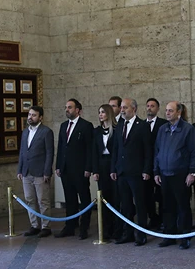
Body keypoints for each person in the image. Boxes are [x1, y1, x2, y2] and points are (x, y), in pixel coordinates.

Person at [154, 101, 195, 249]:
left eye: (171, 111)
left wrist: (192, 172)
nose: (167, 113)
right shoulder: (162, 129)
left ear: (178, 112)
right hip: (164, 173)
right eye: (166, 110)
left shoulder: (188, 129)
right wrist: (156, 171)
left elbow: (194, 153)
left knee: (183, 206)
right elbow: (157, 151)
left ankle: (185, 236)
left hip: (180, 174)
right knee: (167, 206)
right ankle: (170, 235)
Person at [111, 98, 153, 246]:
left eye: (125, 108)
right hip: (122, 171)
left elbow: (148, 150)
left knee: (140, 204)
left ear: (134, 109)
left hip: (137, 172)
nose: (122, 110)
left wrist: (147, 169)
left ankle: (141, 235)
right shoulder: (120, 125)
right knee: (126, 205)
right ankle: (127, 233)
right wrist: (113, 168)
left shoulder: (142, 126)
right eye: (121, 107)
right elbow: (116, 149)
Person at [55, 99, 94, 239]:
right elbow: (60, 147)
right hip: (66, 169)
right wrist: (58, 166)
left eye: (70, 107)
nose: (67, 110)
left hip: (80, 169)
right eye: (66, 107)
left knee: (84, 199)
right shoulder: (63, 125)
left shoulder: (86, 126)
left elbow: (90, 149)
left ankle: (84, 227)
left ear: (78, 110)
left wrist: (89, 167)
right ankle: (70, 226)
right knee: (70, 199)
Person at [17, 105, 54, 238]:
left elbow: (50, 153)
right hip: (26, 171)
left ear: (40, 117)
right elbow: (22, 152)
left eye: (33, 115)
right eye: (29, 115)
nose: (30, 117)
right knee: (29, 199)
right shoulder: (25, 132)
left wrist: (47, 172)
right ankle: (34, 225)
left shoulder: (46, 132)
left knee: (43, 200)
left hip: (40, 172)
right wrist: (19, 169)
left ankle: (45, 226)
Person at [92, 104, 121, 240]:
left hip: (113, 164)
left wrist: (114, 169)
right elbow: (94, 152)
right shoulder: (96, 131)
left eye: (103, 112)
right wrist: (95, 170)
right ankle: (105, 229)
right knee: (103, 197)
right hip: (101, 165)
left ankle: (117, 229)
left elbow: (117, 150)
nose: (100, 115)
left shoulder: (116, 129)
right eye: (99, 112)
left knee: (115, 198)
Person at [145, 98, 167, 229]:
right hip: (147, 166)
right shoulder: (141, 125)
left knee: (162, 195)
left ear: (157, 108)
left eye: (152, 106)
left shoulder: (163, 124)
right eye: (148, 106)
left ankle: (164, 219)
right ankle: (153, 218)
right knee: (147, 195)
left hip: (160, 164)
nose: (149, 108)